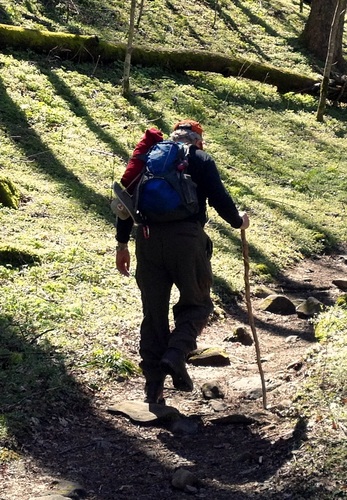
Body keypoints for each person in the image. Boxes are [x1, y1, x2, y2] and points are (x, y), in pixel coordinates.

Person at [115, 119, 249, 404]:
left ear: (174, 138)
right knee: (198, 304)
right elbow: (219, 198)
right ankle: (175, 356)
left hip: (147, 241)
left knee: (154, 315)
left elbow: (124, 202)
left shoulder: (148, 160)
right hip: (187, 242)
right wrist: (239, 221)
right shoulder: (199, 158)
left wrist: (121, 243)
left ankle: (154, 391)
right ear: (198, 140)